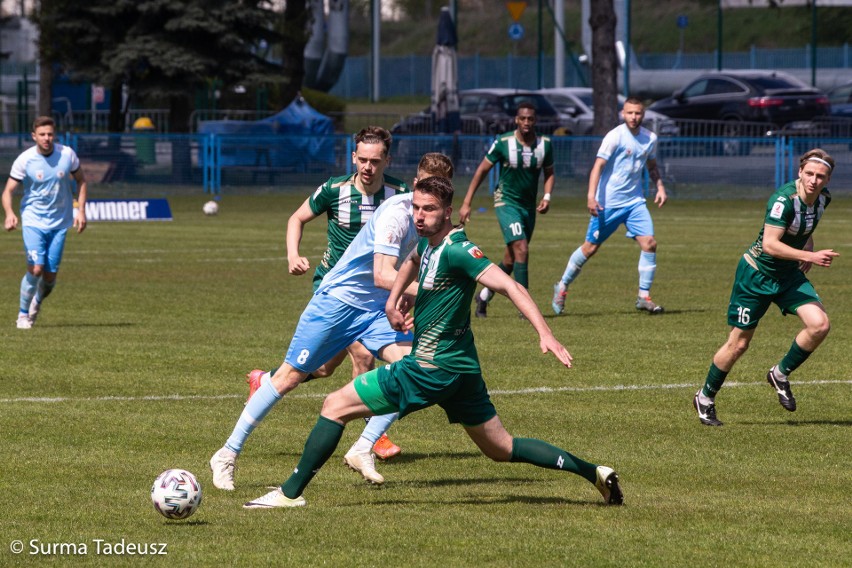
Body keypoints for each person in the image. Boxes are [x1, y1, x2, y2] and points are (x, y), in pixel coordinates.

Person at [243, 175, 623, 509]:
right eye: (416, 208)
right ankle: (595, 473)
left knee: (333, 405)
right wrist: (392, 303)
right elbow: (409, 261)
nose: (419, 215)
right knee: (502, 449)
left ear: (449, 212)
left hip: (429, 368)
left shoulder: (459, 250)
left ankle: (290, 494)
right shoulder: (426, 242)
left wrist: (545, 333)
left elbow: (509, 285)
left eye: (429, 209)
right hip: (462, 369)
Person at [210, 153, 455, 491]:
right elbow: (383, 274)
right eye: (420, 193)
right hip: (338, 302)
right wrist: (430, 292)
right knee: (289, 377)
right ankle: (226, 454)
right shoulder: (397, 216)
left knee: (415, 369)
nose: (423, 207)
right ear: (414, 186)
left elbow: (411, 268)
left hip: (376, 309)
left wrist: (410, 299)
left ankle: (363, 446)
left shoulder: (432, 223)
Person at [267, 125, 407, 458]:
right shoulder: (334, 189)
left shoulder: (399, 193)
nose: (368, 167)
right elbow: (296, 219)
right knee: (362, 355)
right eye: (362, 159)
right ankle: (373, 436)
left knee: (325, 368)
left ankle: (266, 380)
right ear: (353, 157)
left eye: (375, 160)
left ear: (387, 160)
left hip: (376, 293)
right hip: (335, 289)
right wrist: (292, 255)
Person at [693, 149, 837, 427]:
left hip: (787, 275)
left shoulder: (823, 200)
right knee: (739, 344)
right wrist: (809, 256)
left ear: (828, 179)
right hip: (756, 276)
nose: (813, 180)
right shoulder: (783, 200)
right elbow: (770, 244)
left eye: (820, 176)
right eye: (809, 174)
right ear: (800, 173)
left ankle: (780, 374)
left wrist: (807, 243)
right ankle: (705, 397)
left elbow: (806, 225)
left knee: (819, 325)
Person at [551, 97, 667, 316]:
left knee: (650, 244)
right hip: (608, 203)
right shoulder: (615, 136)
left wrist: (659, 187)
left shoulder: (650, 138)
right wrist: (590, 197)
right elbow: (597, 167)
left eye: (638, 113)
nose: (634, 117)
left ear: (643, 114)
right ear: (623, 113)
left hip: (634, 202)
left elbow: (651, 166)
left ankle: (643, 297)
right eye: (630, 113)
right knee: (590, 248)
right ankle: (563, 286)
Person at [458, 101, 554, 318]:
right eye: (523, 118)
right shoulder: (503, 142)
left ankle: (483, 297)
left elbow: (550, 173)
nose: (527, 122)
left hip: (528, 206)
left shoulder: (545, 145)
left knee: (511, 259)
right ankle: (525, 307)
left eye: (531, 118)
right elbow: (482, 170)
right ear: (516, 120)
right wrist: (466, 202)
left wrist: (547, 196)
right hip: (506, 202)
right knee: (521, 248)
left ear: (535, 121)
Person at [3, 116, 87, 329]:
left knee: (49, 279)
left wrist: (81, 211)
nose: (46, 138)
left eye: (49, 134)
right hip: (33, 220)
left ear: (54, 135)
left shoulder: (67, 155)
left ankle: (36, 301)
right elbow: (7, 192)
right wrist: (10, 213)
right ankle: (22, 315)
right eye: (42, 134)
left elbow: (81, 181)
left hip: (60, 222)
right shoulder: (25, 160)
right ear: (34, 136)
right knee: (36, 269)